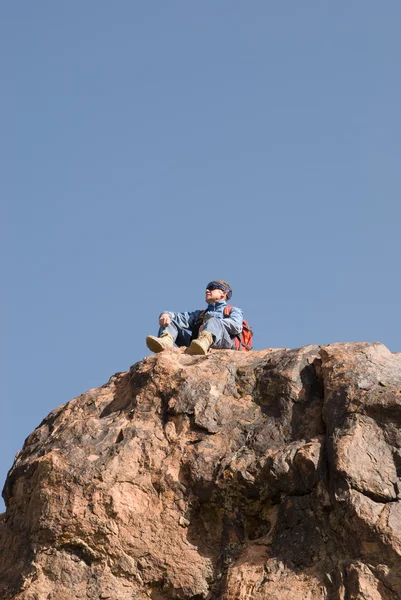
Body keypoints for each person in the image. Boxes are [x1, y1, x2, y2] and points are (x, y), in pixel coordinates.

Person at [146, 280, 243, 355]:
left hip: (224, 344)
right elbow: (178, 317)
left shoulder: (233, 310)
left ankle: (205, 341)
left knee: (212, 320)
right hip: (196, 345)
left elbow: (237, 326)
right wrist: (166, 315)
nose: (207, 290)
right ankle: (165, 342)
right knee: (171, 320)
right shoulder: (200, 314)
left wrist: (212, 323)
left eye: (212, 287)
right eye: (207, 288)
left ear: (223, 293)